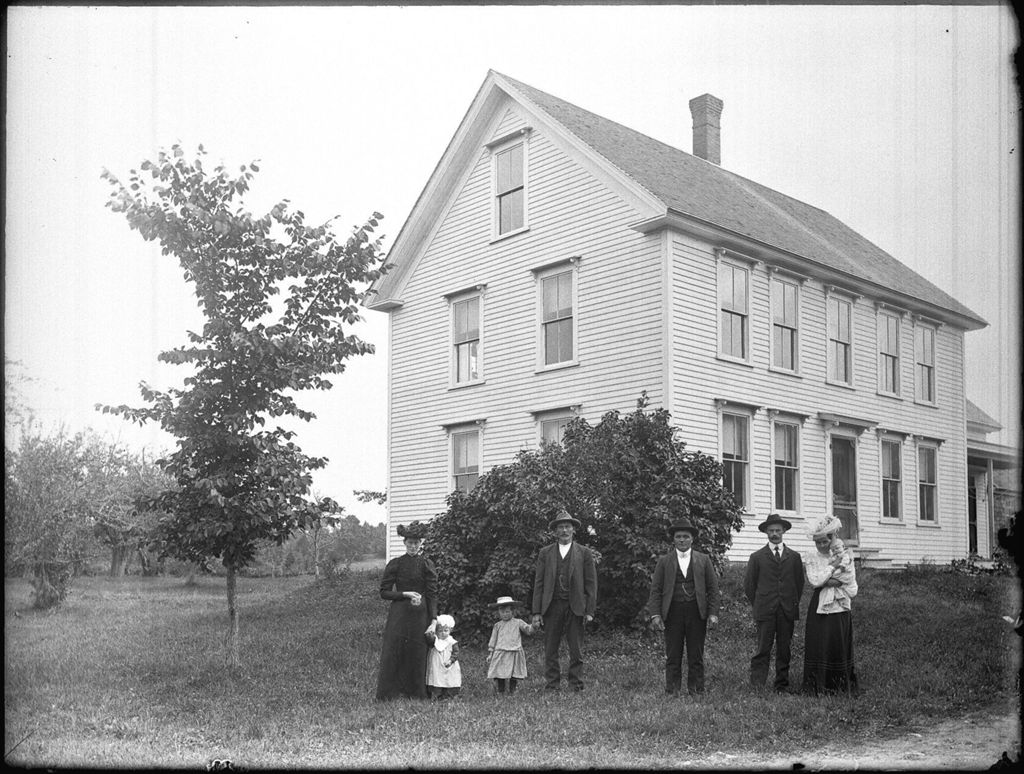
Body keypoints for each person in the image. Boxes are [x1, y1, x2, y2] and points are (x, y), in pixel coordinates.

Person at [646, 516, 720, 695]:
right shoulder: (664, 561)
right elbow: (656, 589)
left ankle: (696, 690)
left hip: (696, 611)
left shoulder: (703, 559)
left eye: (686, 536)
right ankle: (672, 690)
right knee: (673, 654)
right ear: (673, 539)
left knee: (696, 654)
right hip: (673, 612)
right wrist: (655, 614)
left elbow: (713, 589)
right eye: (678, 536)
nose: (682, 540)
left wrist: (713, 613)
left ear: (692, 538)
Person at [531, 509, 598, 692]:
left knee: (576, 649)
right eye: (560, 527)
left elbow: (591, 584)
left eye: (568, 527)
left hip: (576, 606)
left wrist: (590, 611)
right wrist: (537, 612)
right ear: (555, 531)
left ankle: (576, 684)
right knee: (550, 648)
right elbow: (539, 583)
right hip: (552, 606)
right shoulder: (545, 553)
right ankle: (552, 685)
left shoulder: (584, 553)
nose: (564, 531)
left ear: (573, 530)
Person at [374, 521, 437, 701]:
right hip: (399, 613)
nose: (413, 547)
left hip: (420, 613)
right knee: (395, 648)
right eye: (410, 543)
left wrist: (433, 619)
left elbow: (432, 594)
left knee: (418, 651)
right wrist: (404, 594)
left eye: (417, 543)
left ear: (421, 544)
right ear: (404, 543)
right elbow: (384, 592)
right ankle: (390, 692)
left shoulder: (427, 564)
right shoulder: (395, 564)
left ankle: (417, 692)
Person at [744, 513, 804, 692]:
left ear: (784, 531)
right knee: (763, 648)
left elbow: (799, 584)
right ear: (766, 533)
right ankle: (757, 685)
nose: (775, 534)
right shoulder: (757, 557)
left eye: (778, 530)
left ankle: (782, 685)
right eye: (771, 531)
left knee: (784, 649)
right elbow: (749, 585)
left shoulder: (793, 557)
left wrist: (790, 602)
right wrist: (760, 603)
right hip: (765, 610)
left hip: (786, 610)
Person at [801, 514, 859, 696]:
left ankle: (839, 685)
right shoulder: (812, 557)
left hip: (840, 607)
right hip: (820, 607)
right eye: (817, 542)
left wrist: (831, 578)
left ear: (832, 538)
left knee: (838, 642)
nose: (821, 546)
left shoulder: (845, 555)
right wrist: (833, 567)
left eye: (824, 541)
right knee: (820, 643)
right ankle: (817, 685)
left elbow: (850, 580)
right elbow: (815, 581)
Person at [486, 596, 537, 694]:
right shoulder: (497, 625)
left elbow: (528, 630)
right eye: (502, 612)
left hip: (514, 652)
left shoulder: (518, 622)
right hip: (501, 652)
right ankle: (501, 691)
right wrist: (490, 653)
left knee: (514, 673)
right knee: (500, 673)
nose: (505, 614)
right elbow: (493, 639)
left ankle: (512, 691)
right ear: (499, 613)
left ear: (512, 611)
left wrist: (534, 626)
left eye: (507, 612)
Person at [425, 614, 461, 700]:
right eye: (440, 631)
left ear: (450, 630)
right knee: (436, 677)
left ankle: (449, 694)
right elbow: (429, 639)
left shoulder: (452, 641)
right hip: (436, 664)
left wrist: (451, 660)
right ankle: (437, 694)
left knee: (449, 678)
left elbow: (456, 653)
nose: (443, 633)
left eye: (446, 630)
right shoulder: (436, 640)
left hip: (448, 664)